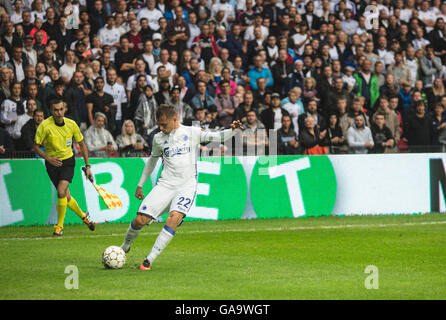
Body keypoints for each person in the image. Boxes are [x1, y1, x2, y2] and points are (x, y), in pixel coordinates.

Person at [119, 105, 243, 270]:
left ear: (174, 118)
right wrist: (140, 184)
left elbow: (217, 136)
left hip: (187, 186)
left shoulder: (191, 132)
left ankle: (149, 259)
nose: (161, 128)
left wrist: (233, 130)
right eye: (159, 125)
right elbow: (152, 161)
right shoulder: (158, 138)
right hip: (165, 184)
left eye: (164, 124)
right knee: (140, 220)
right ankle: (125, 247)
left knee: (174, 218)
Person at [33, 98, 95, 236]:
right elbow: (36, 147)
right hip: (52, 164)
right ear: (51, 111)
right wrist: (48, 158)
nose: (59, 112)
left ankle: (59, 227)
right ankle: (84, 216)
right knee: (66, 196)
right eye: (56, 110)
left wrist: (88, 166)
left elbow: (82, 144)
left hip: (68, 162)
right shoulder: (44, 125)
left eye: (61, 109)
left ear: (64, 109)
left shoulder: (72, 124)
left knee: (61, 192)